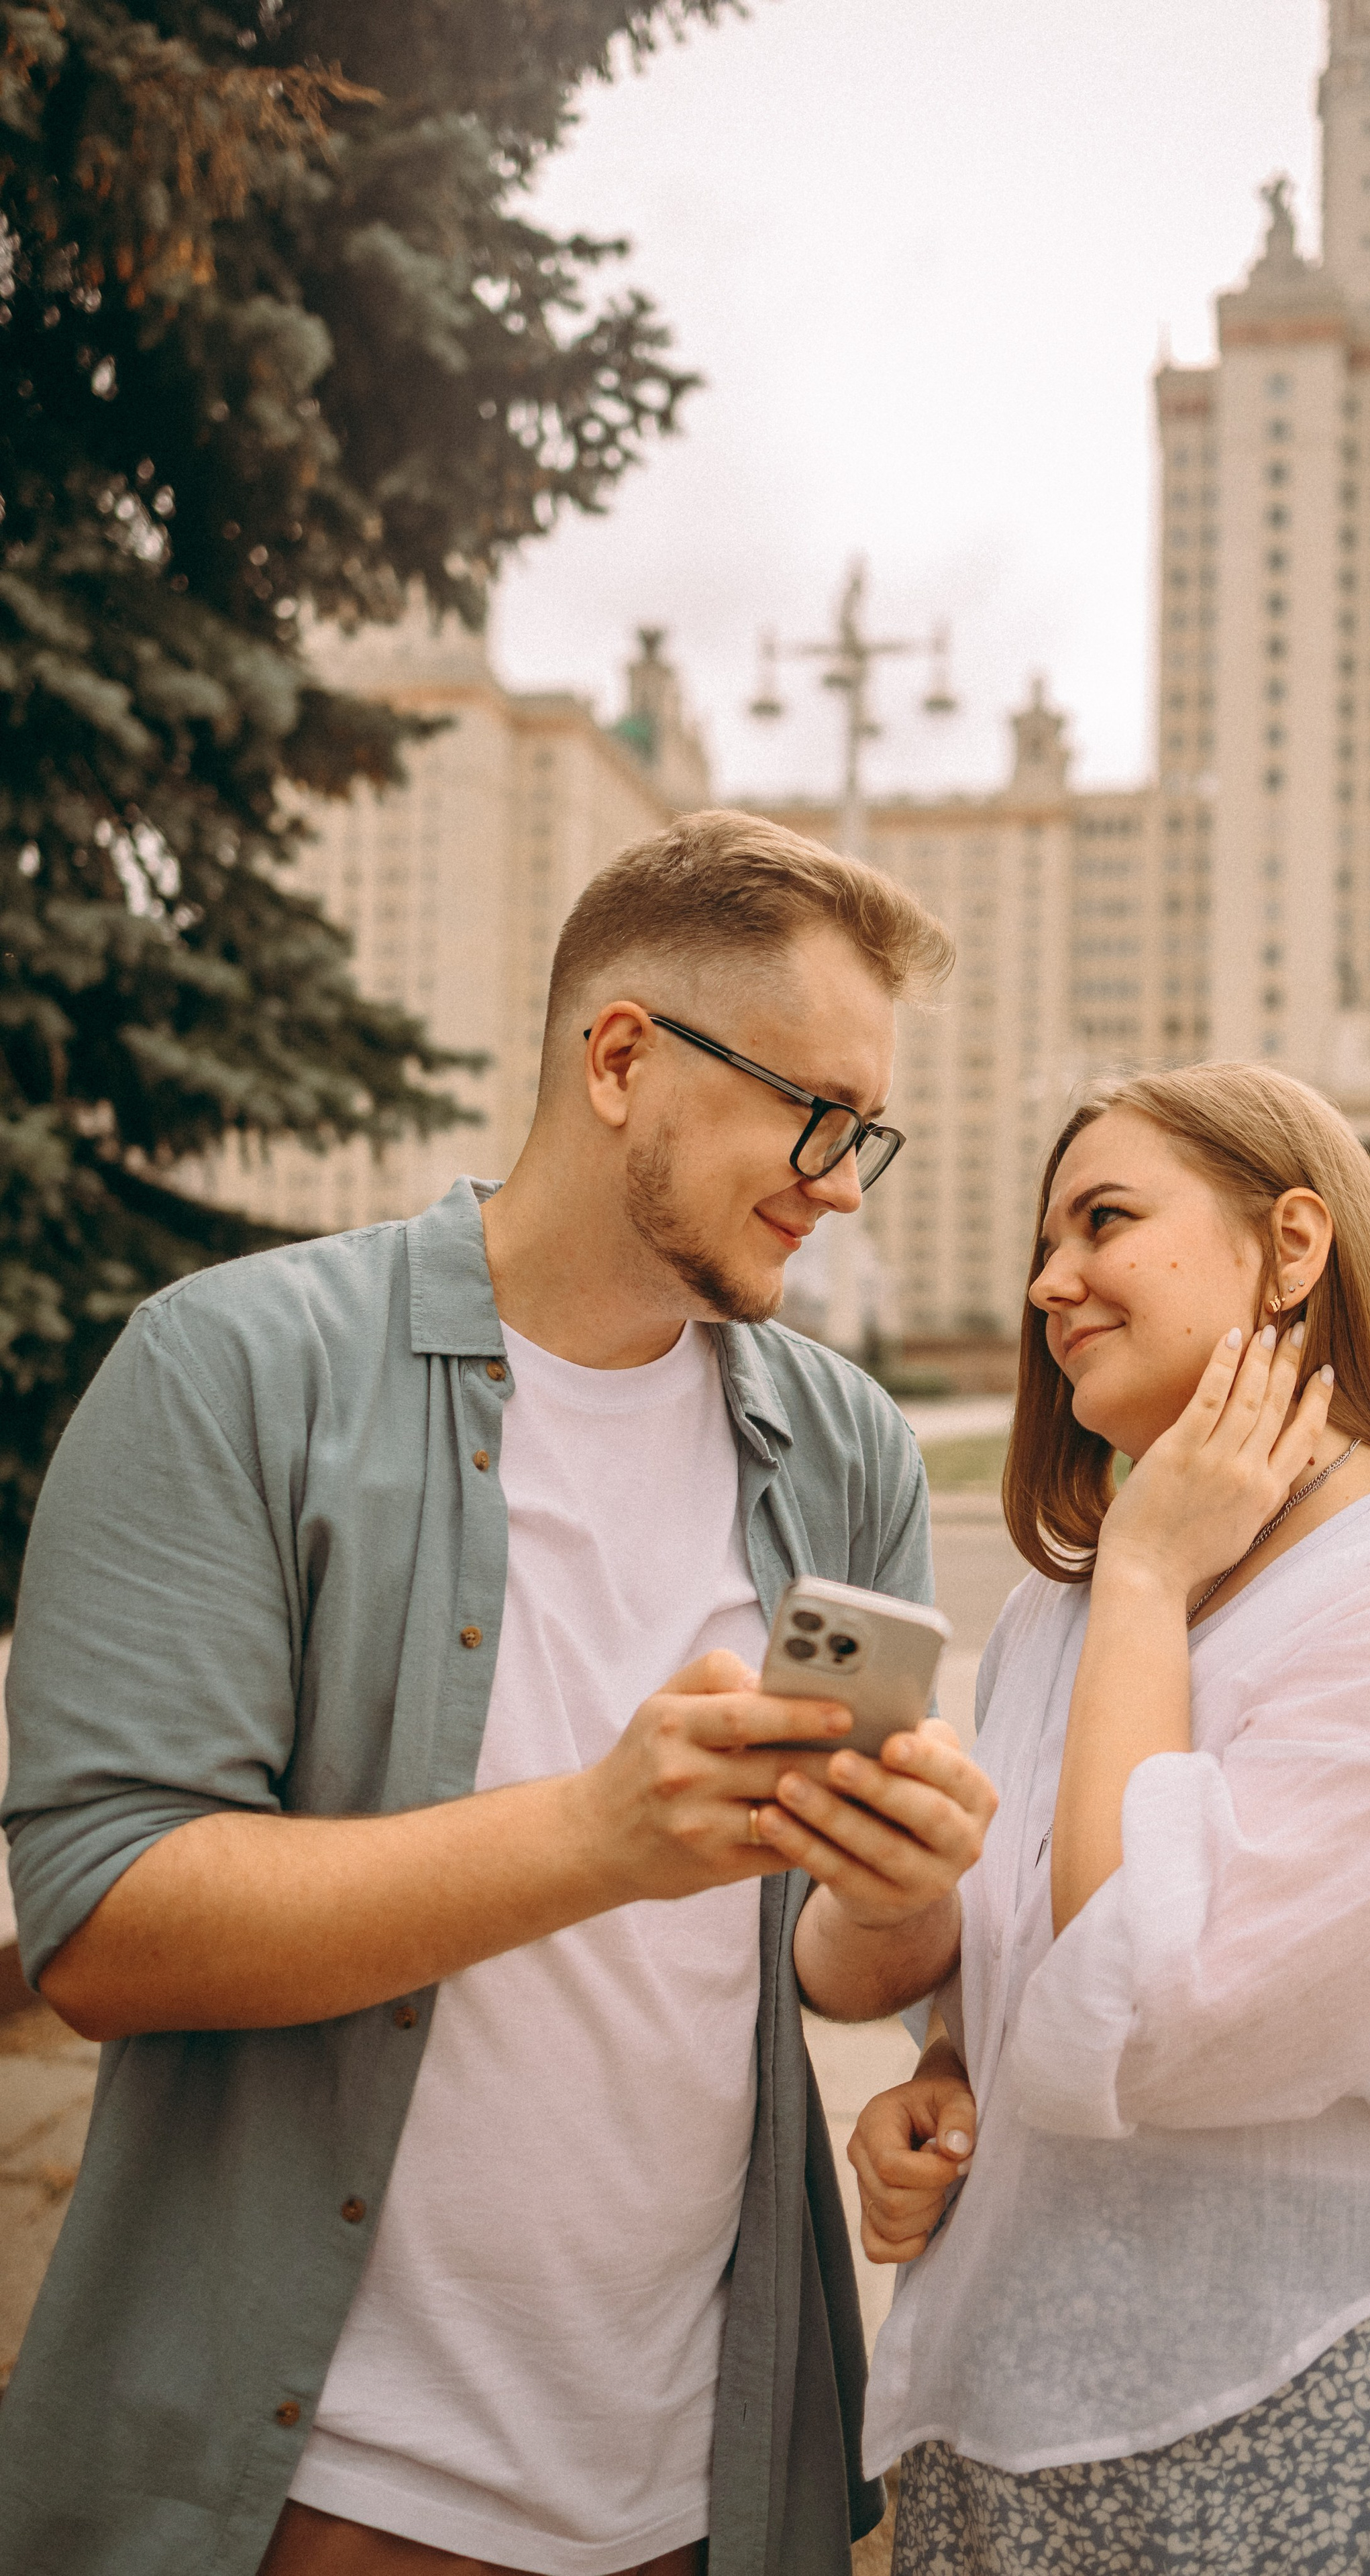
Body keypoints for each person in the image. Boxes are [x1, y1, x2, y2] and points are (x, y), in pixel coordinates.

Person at [0, 810, 998, 2576]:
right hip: (320, 2503)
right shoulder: (230, 1369)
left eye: (874, 1134)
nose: (844, 1183)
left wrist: (908, 1888)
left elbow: (849, 1967)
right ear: (623, 1056)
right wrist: (597, 1834)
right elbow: (104, 1928)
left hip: (715, 2489)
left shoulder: (844, 1445)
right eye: (818, 1116)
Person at [841, 1063, 1370, 2576]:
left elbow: (1151, 2016)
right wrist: (942, 2073)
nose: (1050, 1283)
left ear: (1292, 1244)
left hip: (1334, 2429)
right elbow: (1035, 1971)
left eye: (1101, 1221)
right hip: (999, 2445)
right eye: (1040, 1248)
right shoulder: (1059, 1622)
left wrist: (1142, 1572)